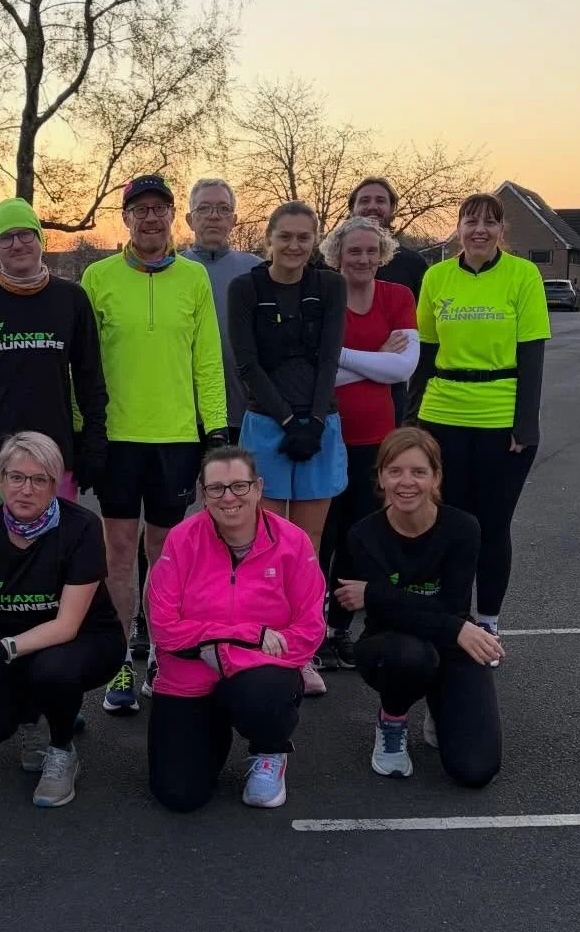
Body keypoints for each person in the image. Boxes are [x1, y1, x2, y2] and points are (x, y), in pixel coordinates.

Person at [81, 174, 229, 714]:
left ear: (173, 217)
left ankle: (163, 653)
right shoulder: (97, 277)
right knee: (118, 554)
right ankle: (121, 660)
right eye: (139, 209)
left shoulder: (193, 279)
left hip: (176, 440)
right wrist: (84, 429)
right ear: (125, 218)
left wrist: (215, 432)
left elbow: (207, 361)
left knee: (163, 555)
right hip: (119, 440)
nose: (149, 218)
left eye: (159, 209)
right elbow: (85, 367)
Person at [0, 432, 125, 809]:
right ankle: (33, 715)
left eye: (39, 479)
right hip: (15, 649)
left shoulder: (82, 528)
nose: (26, 489)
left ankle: (61, 749)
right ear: (1, 479)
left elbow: (66, 626)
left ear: (54, 485)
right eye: (16, 477)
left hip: (87, 641)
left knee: (52, 670)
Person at [145, 446, 326, 813]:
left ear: (258, 488)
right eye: (216, 488)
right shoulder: (181, 540)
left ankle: (269, 750)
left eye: (239, 486)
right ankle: (211, 730)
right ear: (203, 494)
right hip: (189, 676)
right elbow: (164, 629)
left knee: (262, 694)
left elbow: (308, 631)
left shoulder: (293, 542)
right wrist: (249, 635)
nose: (229, 497)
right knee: (179, 795)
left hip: (257, 677)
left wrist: (223, 653)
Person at [412, 192, 549, 635]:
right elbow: (427, 353)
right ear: (458, 227)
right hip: (443, 412)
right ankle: (451, 616)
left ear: (501, 230)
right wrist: (411, 418)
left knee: (491, 525)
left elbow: (532, 355)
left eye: (489, 222)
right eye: (471, 221)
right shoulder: (436, 277)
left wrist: (525, 422)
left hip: (499, 418)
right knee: (446, 521)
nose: (479, 230)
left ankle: (487, 619)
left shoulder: (523, 275)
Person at [338, 426, 503, 785]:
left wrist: (375, 592)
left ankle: (440, 704)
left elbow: (450, 605)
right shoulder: (363, 535)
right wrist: (454, 625)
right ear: (380, 477)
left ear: (436, 477)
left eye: (418, 471)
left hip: (452, 639)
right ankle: (392, 719)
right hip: (390, 643)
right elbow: (386, 617)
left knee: (475, 770)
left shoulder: (463, 528)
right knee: (410, 657)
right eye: (394, 471)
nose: (405, 482)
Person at [227, 200, 345, 695]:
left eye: (304, 237)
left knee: (308, 548)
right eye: (285, 237)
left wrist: (313, 421)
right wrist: (286, 419)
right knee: (267, 546)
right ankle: (265, 644)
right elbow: (247, 363)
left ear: (314, 241)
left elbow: (329, 356)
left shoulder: (330, 286)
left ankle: (303, 652)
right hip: (267, 424)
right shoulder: (245, 288)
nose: (294, 246)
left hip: (319, 424)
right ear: (269, 239)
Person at [0, 198, 108, 524]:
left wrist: (94, 443)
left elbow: (90, 380)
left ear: (41, 240)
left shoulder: (71, 299)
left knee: (52, 560)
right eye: (5, 237)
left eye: (26, 234)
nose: (17, 244)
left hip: (55, 455)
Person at [315, 214, 420, 671]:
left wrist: (338, 357)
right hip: (325, 438)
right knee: (319, 538)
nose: (362, 258)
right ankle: (311, 630)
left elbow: (403, 369)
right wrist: (375, 359)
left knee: (359, 540)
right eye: (352, 250)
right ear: (336, 255)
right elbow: (313, 370)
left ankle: (340, 628)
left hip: (377, 442)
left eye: (370, 251)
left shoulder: (398, 296)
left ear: (383, 256)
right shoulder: (323, 293)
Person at [180, 177, 261, 440]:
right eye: (204, 208)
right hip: (183, 415)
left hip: (244, 410)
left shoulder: (258, 271)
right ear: (190, 219)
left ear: (234, 220)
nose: (214, 216)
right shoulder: (169, 271)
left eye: (223, 209)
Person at [348, 176, 428, 424]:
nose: (373, 206)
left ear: (393, 209)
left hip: (394, 396)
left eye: (380, 200)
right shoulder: (326, 264)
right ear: (352, 209)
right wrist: (379, 355)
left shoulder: (412, 265)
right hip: (336, 399)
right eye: (365, 200)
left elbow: (415, 345)